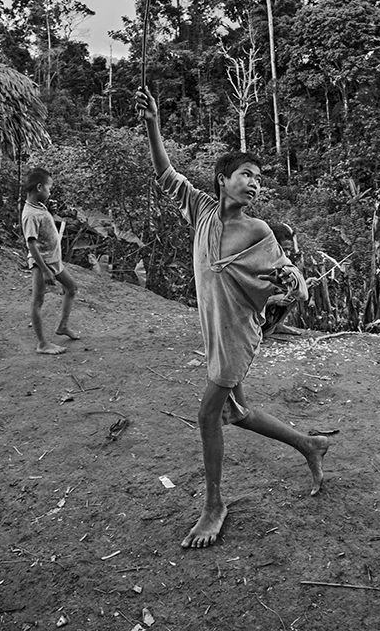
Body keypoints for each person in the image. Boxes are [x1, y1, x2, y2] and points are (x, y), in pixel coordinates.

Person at [135, 86, 329, 550]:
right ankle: (309, 444)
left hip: (238, 331)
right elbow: (167, 173)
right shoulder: (202, 210)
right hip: (213, 329)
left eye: (259, 179)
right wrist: (152, 125)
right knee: (235, 412)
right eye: (246, 174)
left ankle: (214, 504)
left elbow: (287, 277)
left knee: (208, 415)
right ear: (222, 180)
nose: (255, 183)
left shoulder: (259, 230)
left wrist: (291, 282)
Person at [21, 167, 79, 355]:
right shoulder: (30, 214)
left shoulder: (39, 206)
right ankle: (42, 344)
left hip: (54, 261)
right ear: (39, 187)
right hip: (42, 264)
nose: (50, 192)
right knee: (37, 301)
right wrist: (45, 270)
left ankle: (62, 326)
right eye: (49, 188)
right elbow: (31, 245)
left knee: (71, 288)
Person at [262, 222, 304, 338]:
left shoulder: (282, 265)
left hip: (267, 316)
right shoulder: (257, 264)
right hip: (248, 322)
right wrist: (274, 300)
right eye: (284, 250)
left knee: (297, 286)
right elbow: (243, 304)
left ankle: (278, 324)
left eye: (289, 250)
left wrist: (305, 284)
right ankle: (254, 332)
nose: (287, 254)